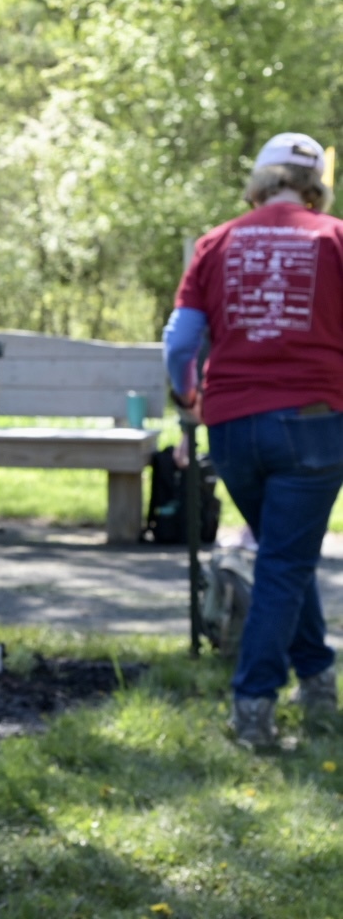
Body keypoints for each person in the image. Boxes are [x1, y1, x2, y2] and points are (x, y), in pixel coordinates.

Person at [164, 131, 343, 748]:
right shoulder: (336, 238)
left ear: (261, 179)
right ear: (317, 183)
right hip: (315, 425)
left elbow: (182, 344)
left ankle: (318, 679)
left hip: (233, 425)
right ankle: (253, 706)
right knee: (286, 559)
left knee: (281, 553)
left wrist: (187, 397)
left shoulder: (218, 242)